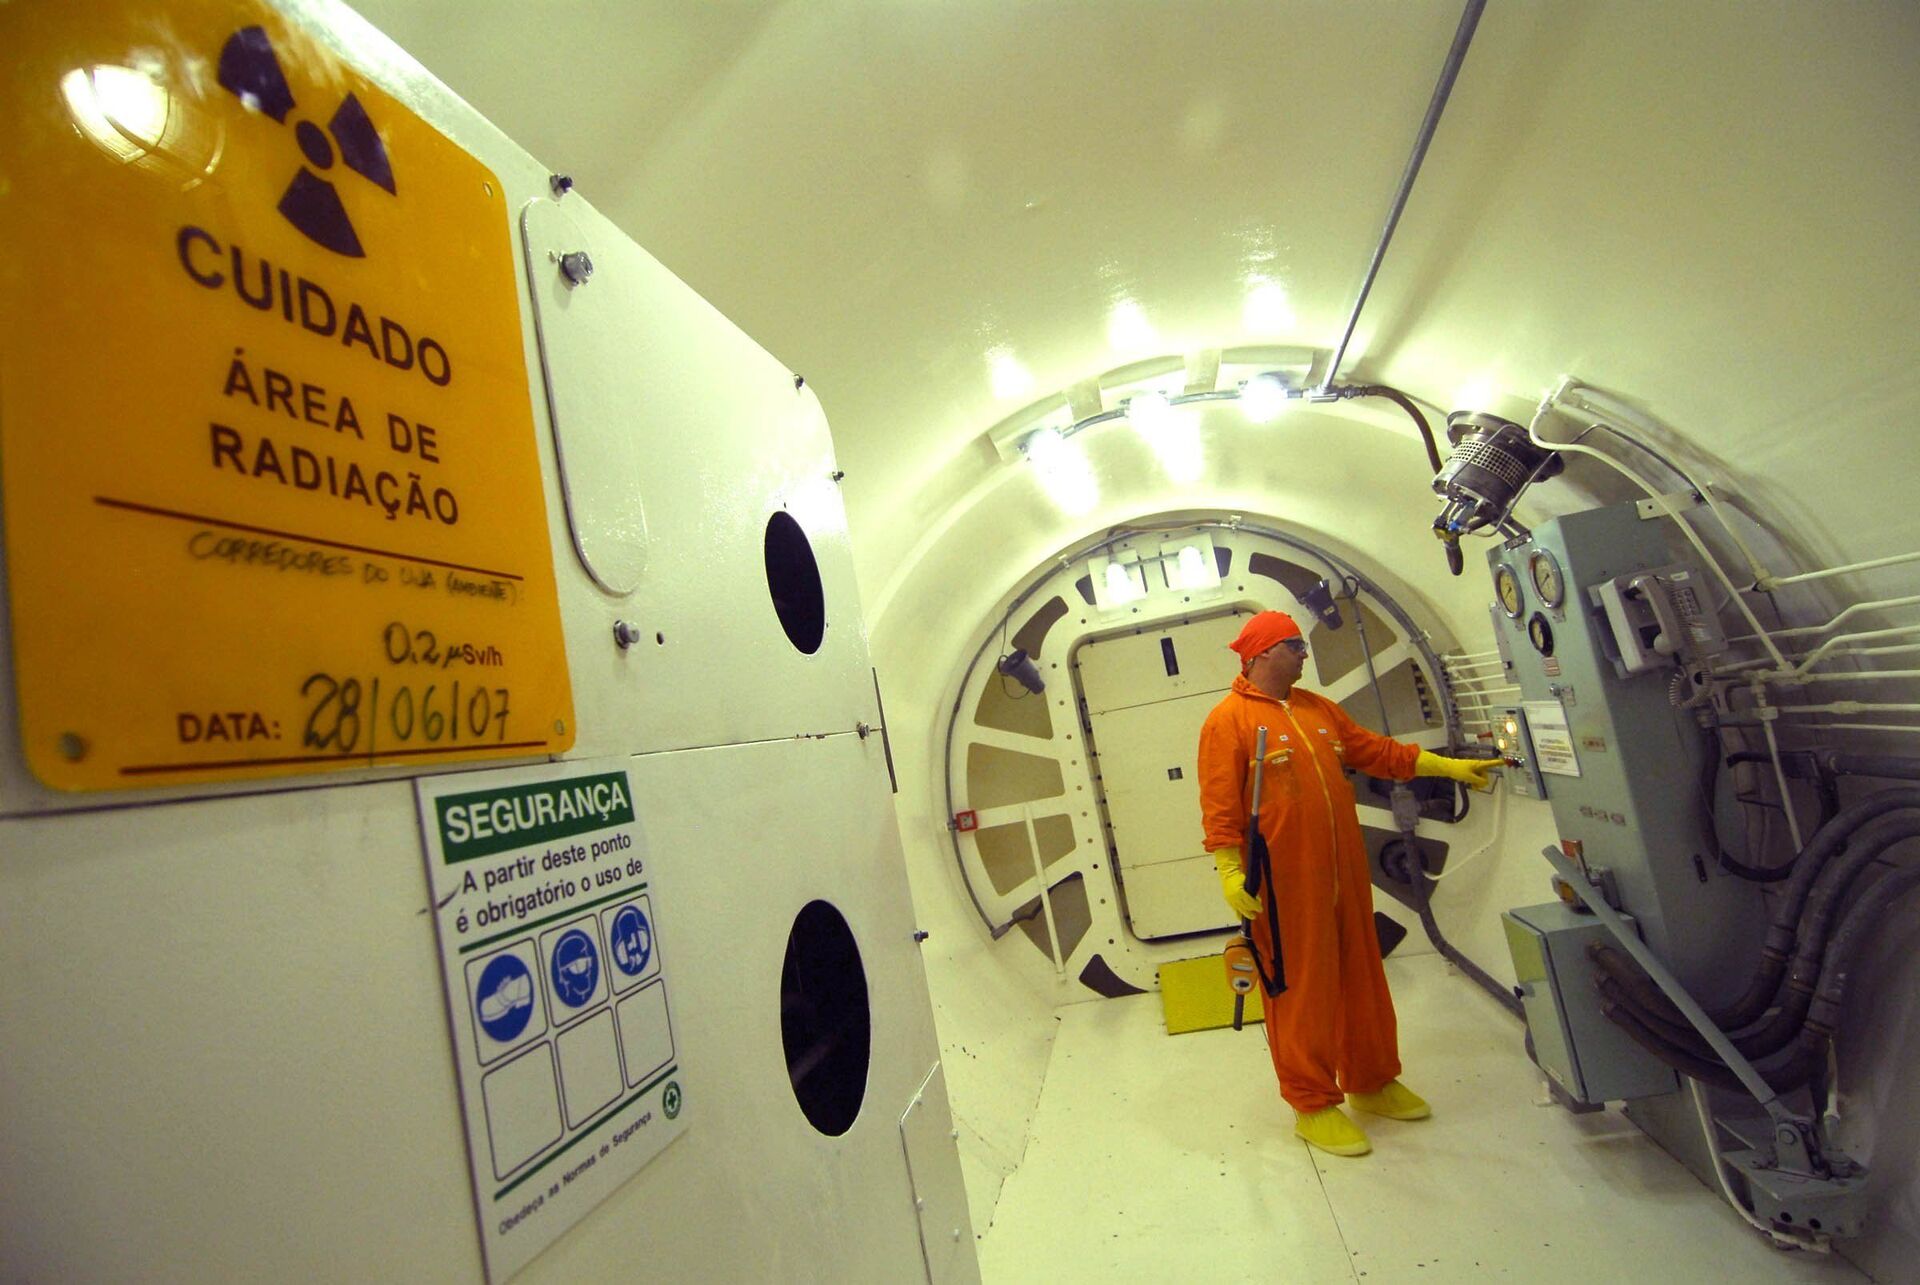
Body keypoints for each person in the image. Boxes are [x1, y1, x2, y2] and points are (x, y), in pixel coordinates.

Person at [1198, 609, 1493, 1158]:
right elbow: (1219, 804)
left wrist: (1446, 768)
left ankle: (1371, 1081)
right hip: (1284, 883)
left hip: (1344, 874)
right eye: (1293, 645)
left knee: (1361, 977)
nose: (1304, 654)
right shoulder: (1228, 721)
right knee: (1299, 991)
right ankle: (1312, 1104)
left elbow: (1375, 752)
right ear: (1262, 653)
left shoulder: (1316, 710)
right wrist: (1229, 870)